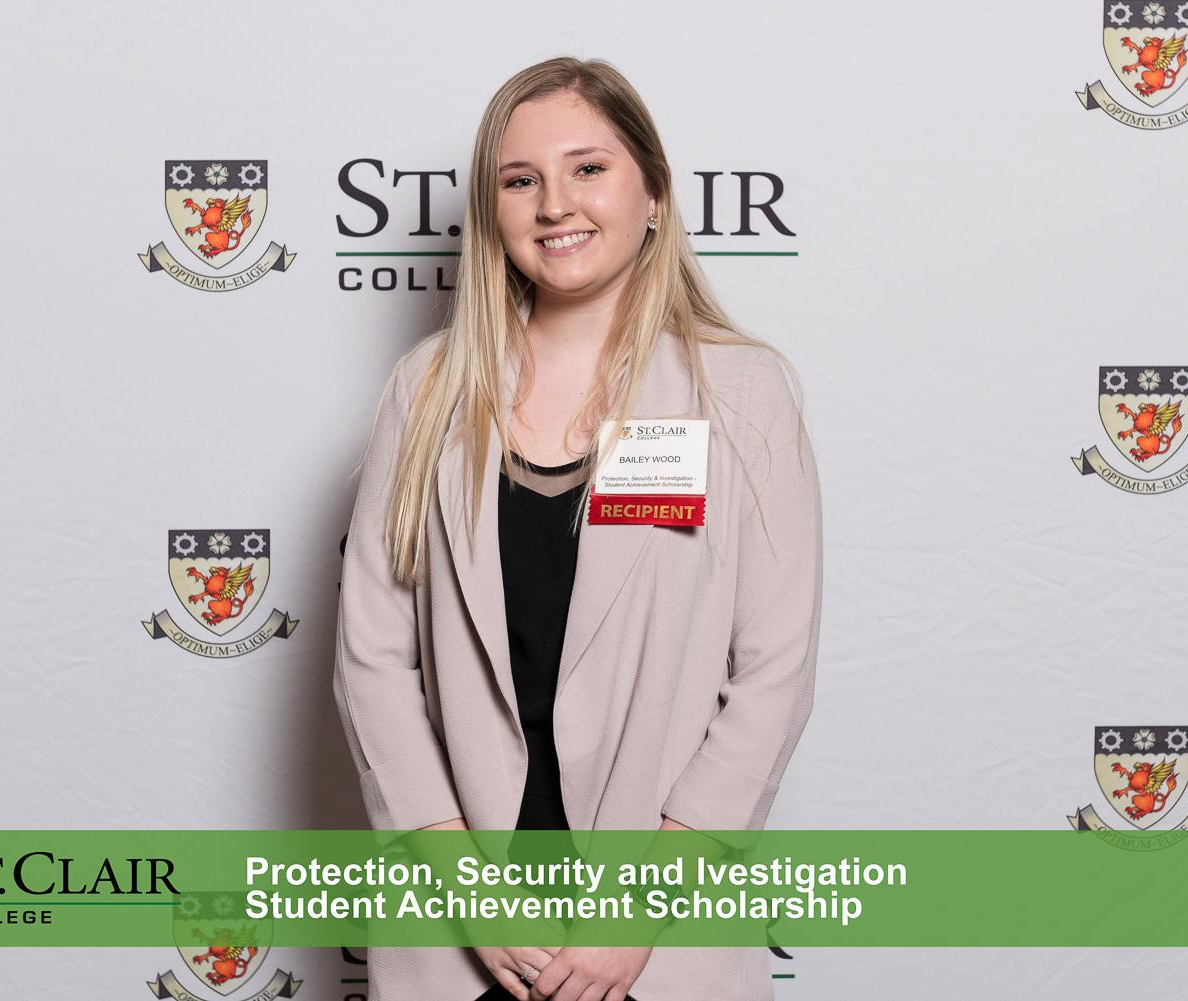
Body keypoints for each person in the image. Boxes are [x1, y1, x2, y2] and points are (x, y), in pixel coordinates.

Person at [334, 56, 822, 1001]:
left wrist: (633, 911)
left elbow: (775, 674)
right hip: (465, 941)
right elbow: (372, 660)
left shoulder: (739, 392)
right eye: (520, 180)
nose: (555, 204)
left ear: (654, 192)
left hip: (656, 943)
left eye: (588, 168)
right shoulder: (427, 390)